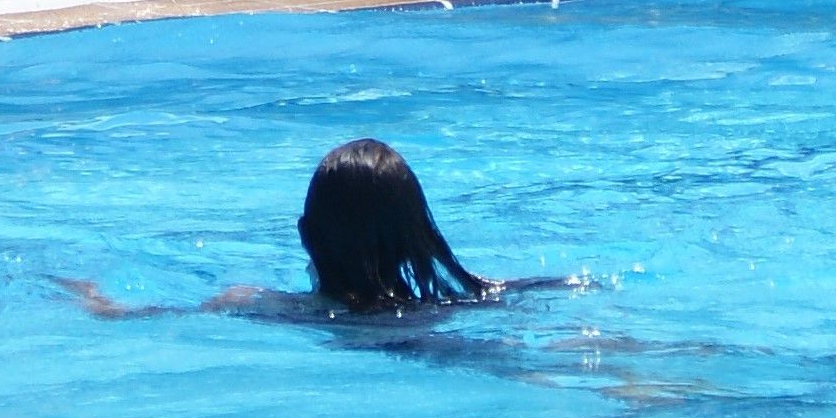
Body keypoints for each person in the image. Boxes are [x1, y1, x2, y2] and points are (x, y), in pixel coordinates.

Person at [60, 139, 522, 322]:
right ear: (418, 232)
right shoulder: (470, 302)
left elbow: (141, 318)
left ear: (305, 234)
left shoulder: (266, 306)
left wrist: (91, 297)